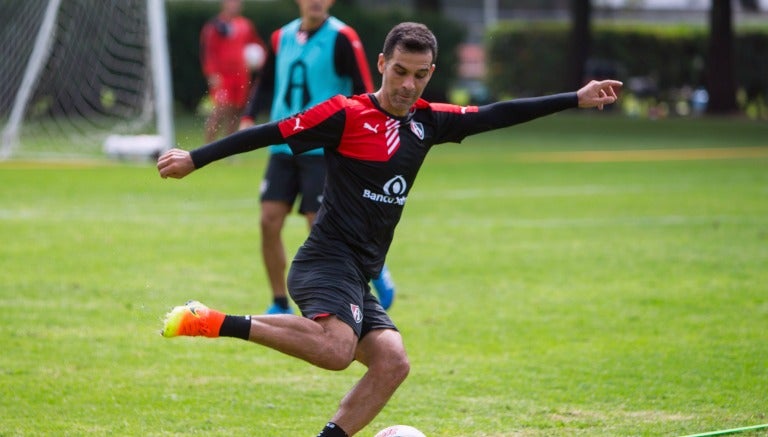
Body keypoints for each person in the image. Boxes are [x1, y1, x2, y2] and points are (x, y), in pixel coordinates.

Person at [157, 22, 622, 437]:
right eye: (399, 71)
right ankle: (211, 320)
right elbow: (272, 132)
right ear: (382, 63)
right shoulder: (345, 113)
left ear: (431, 73)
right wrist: (195, 158)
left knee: (392, 362)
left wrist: (575, 98)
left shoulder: (429, 121)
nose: (408, 84)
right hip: (324, 261)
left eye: (420, 75)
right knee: (337, 350)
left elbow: (497, 114)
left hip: (359, 273)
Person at [238, 0, 396, 314]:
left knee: (320, 227)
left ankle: (365, 276)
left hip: (322, 150)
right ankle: (279, 303)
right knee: (268, 221)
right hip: (283, 147)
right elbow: (268, 81)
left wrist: (368, 134)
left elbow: (364, 88)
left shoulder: (341, 36)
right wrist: (249, 115)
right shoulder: (280, 37)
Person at [200, 0, 265, 143]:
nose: (234, 5)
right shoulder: (215, 25)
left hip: (241, 75)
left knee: (236, 113)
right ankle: (207, 147)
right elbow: (208, 51)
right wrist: (211, 73)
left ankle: (229, 150)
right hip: (223, 76)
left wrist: (261, 59)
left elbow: (256, 45)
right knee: (220, 111)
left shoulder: (246, 24)